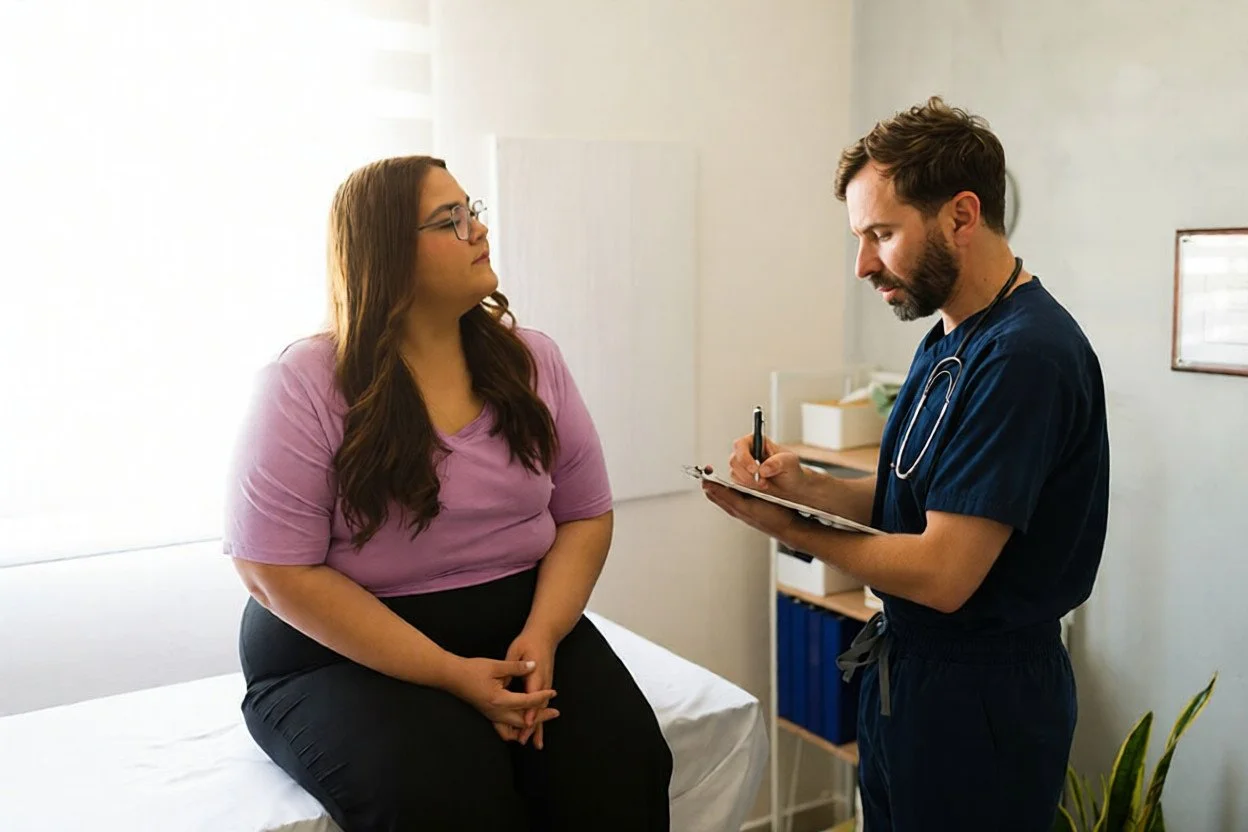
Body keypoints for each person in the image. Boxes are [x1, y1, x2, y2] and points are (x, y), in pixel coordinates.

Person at [223, 155, 673, 831]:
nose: (478, 231)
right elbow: (271, 571)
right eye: (450, 220)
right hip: (343, 654)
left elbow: (584, 515)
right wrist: (449, 673)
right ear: (385, 253)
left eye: (474, 211)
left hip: (523, 625)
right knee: (449, 795)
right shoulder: (304, 382)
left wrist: (543, 634)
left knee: (624, 767)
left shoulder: (530, 360)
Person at [701, 97, 1109, 831]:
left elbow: (944, 575)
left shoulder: (1025, 355)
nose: (861, 264)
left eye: (880, 235)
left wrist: (786, 527)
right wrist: (804, 486)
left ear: (960, 215)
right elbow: (907, 507)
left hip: (981, 700)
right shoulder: (946, 337)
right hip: (912, 679)